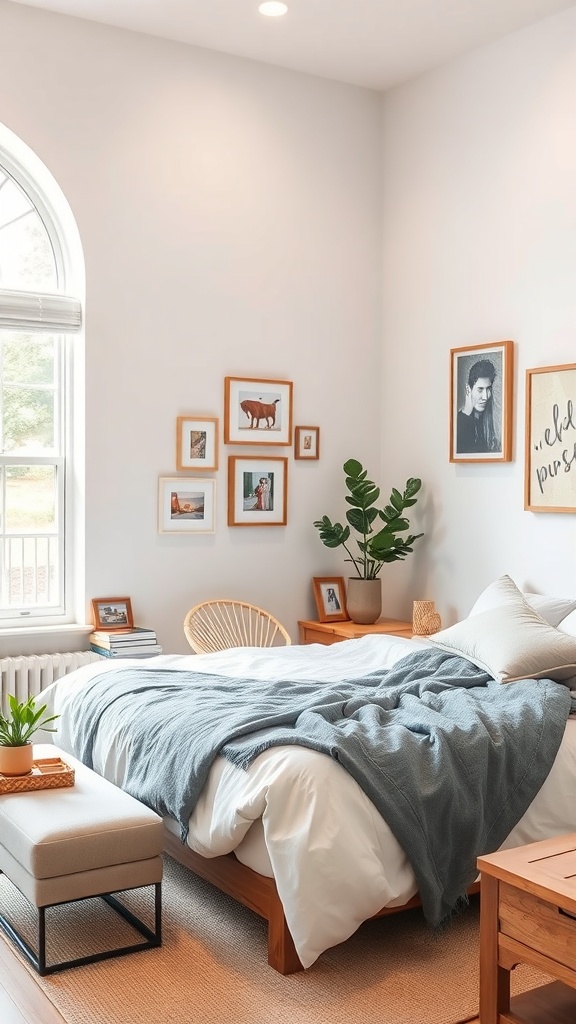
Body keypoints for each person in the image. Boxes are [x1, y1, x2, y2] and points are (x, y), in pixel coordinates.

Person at [456, 358, 500, 454]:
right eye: (480, 389)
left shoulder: (490, 422)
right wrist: (467, 412)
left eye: (488, 389)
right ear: (468, 389)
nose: (485, 397)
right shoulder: (459, 423)